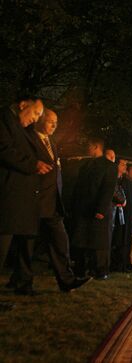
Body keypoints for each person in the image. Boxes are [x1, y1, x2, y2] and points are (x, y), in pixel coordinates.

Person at [11, 109, 92, 294]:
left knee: (60, 241)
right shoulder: (29, 139)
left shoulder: (52, 143)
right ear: (40, 121)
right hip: (34, 201)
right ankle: (22, 283)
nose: (55, 126)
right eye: (51, 122)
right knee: (27, 244)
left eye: (56, 122)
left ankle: (66, 280)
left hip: (52, 203)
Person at [0, 96, 47, 309]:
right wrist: (32, 164)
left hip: (17, 199)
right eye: (35, 113)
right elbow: (4, 150)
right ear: (22, 105)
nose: (36, 119)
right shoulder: (4, 120)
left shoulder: (20, 127)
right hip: (6, 195)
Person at [71, 137, 117, 279]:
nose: (87, 148)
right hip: (84, 208)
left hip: (98, 209)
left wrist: (101, 209)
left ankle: (100, 270)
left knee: (99, 242)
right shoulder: (86, 165)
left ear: (96, 147)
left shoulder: (109, 166)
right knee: (81, 240)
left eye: (89, 146)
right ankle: (80, 269)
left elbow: (108, 189)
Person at [110, 158, 128, 271]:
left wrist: (123, 200)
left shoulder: (122, 180)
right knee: (111, 239)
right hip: (112, 212)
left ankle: (116, 264)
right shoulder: (112, 178)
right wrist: (122, 200)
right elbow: (115, 193)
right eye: (123, 164)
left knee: (117, 240)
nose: (125, 167)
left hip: (119, 214)